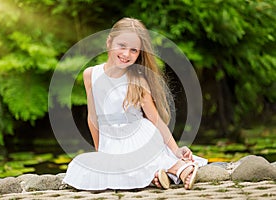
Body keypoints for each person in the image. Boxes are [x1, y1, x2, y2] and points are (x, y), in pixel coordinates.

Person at [63, 17, 207, 190]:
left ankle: (179, 168)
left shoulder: (137, 79)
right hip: (111, 141)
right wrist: (99, 151)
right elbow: (92, 117)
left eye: (133, 50)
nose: (126, 54)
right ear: (109, 42)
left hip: (140, 135)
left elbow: (155, 120)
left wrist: (176, 150)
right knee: (83, 166)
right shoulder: (90, 75)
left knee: (134, 158)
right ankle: (159, 176)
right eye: (121, 46)